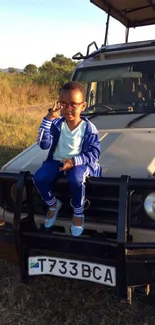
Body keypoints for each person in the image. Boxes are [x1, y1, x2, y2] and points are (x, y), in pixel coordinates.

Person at [33, 81, 101, 237]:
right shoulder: (56, 124)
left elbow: (94, 154)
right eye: (63, 104)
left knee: (76, 178)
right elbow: (43, 144)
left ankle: (78, 212)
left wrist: (73, 161)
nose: (68, 109)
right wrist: (48, 119)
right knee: (40, 177)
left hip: (79, 163)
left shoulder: (89, 129)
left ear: (83, 106)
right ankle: (53, 204)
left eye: (73, 105)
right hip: (57, 161)